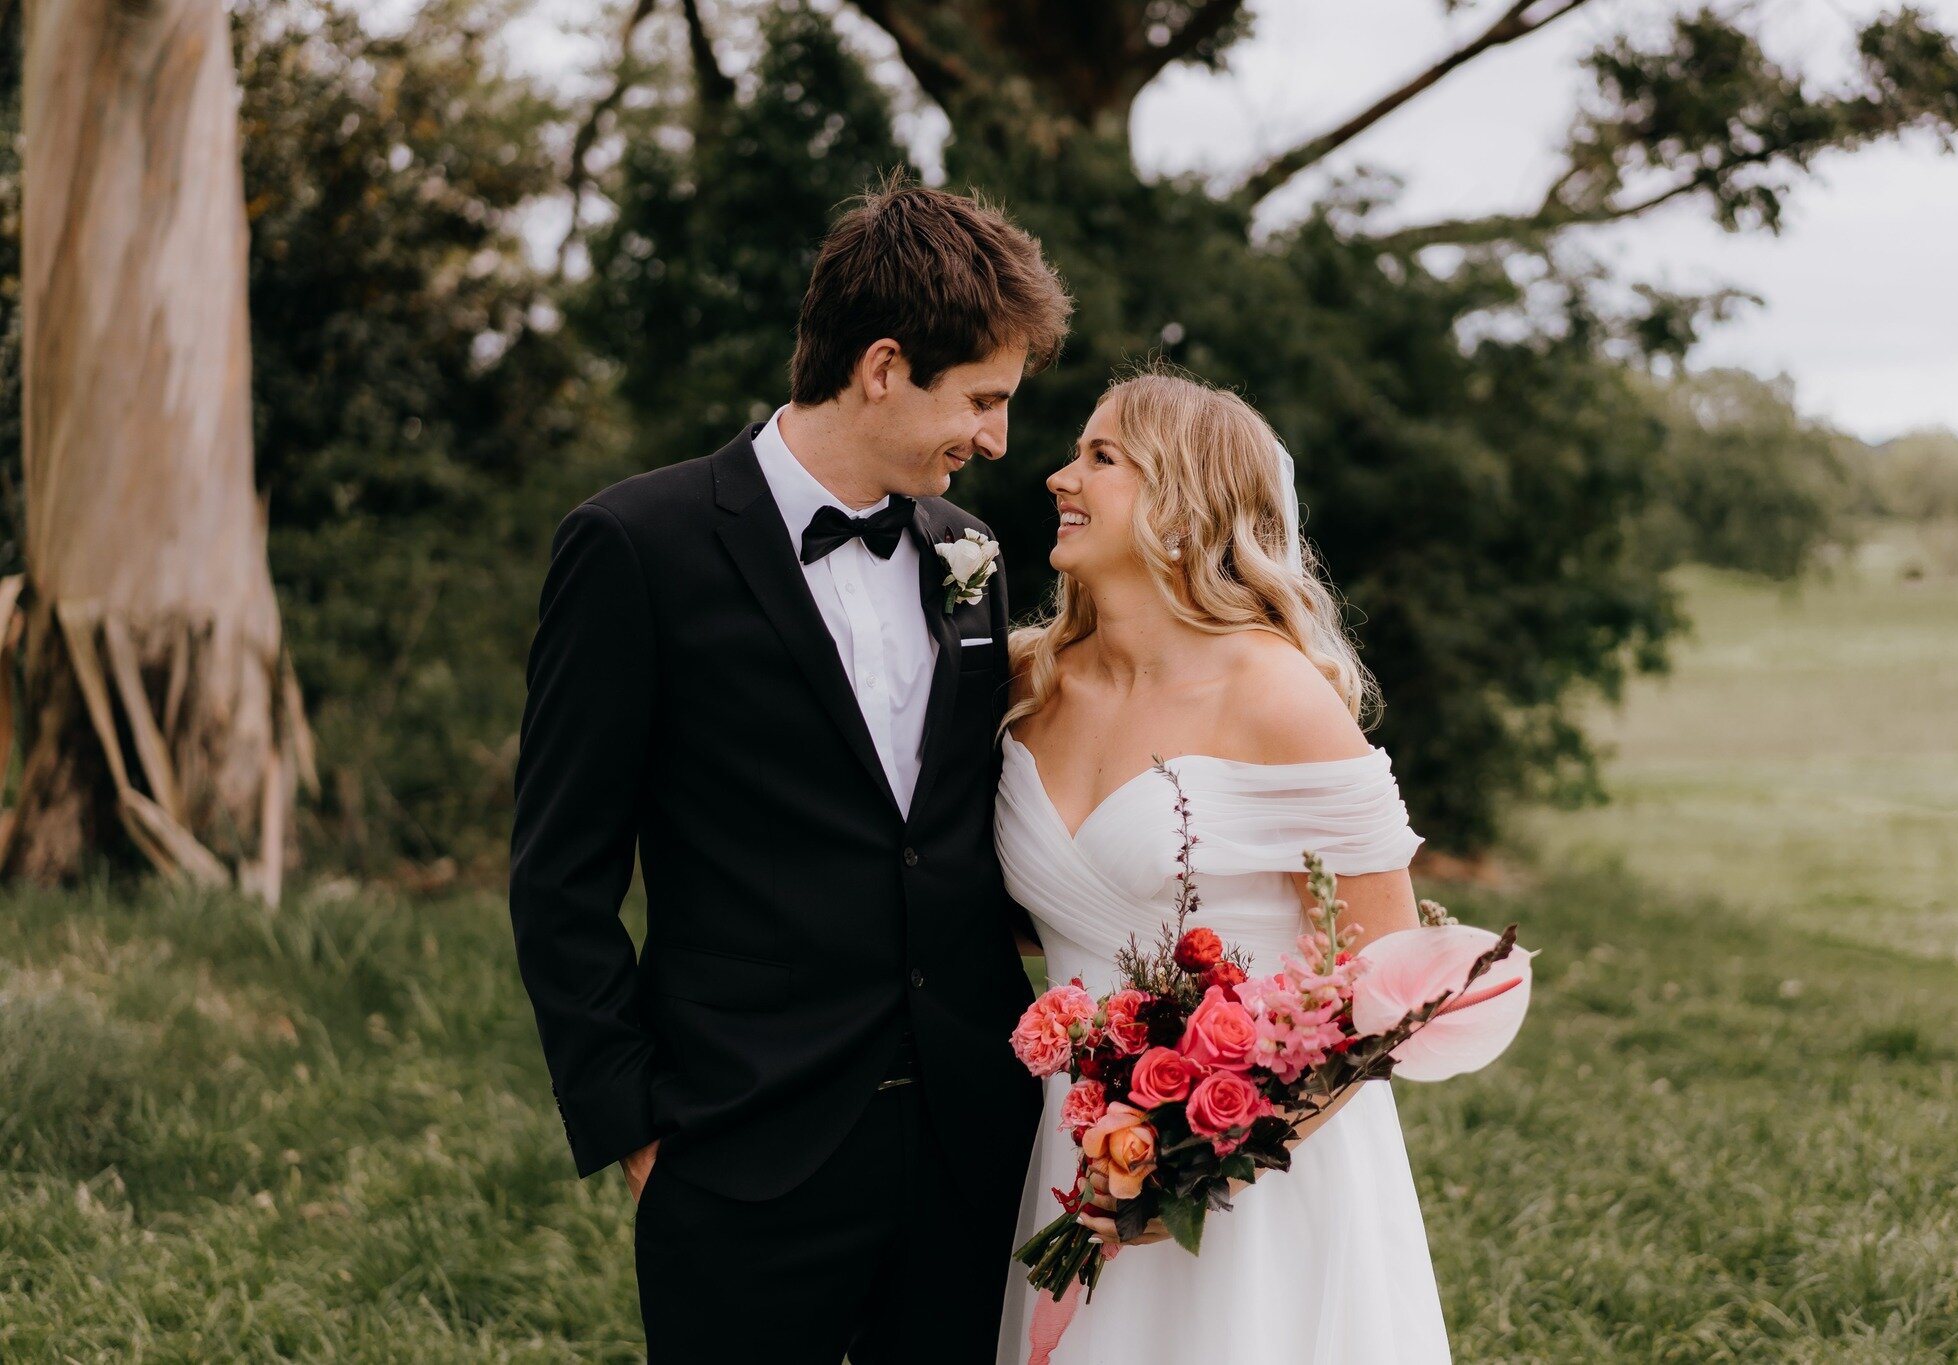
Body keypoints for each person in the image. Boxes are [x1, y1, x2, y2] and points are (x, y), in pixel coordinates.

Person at [507, 175, 1072, 1362]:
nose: (996, 440)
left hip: (969, 1143)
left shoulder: (968, 552)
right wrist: (639, 1133)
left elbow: (951, 829)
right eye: (980, 399)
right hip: (738, 1148)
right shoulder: (632, 546)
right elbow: (559, 874)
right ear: (880, 368)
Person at [994, 367, 1452, 1363]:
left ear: (1180, 501)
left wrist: (1192, 1153)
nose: (1056, 477)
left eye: (1099, 457)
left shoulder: (1274, 694)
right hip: (1070, 1154)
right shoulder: (1026, 682)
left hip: (1260, 1182)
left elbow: (1383, 977)